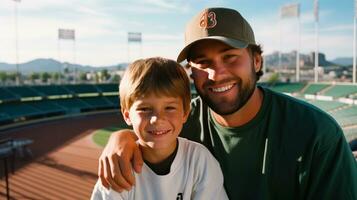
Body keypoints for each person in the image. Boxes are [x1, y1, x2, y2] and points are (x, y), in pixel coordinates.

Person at [98, 7, 357, 199]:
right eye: (203, 62)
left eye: (230, 57)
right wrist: (122, 138)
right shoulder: (180, 122)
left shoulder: (316, 133)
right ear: (191, 71)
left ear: (257, 60)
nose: (216, 73)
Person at [91, 57, 228, 200]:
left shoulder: (199, 160)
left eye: (169, 108)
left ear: (185, 113)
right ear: (127, 115)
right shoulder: (119, 169)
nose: (157, 119)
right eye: (144, 109)